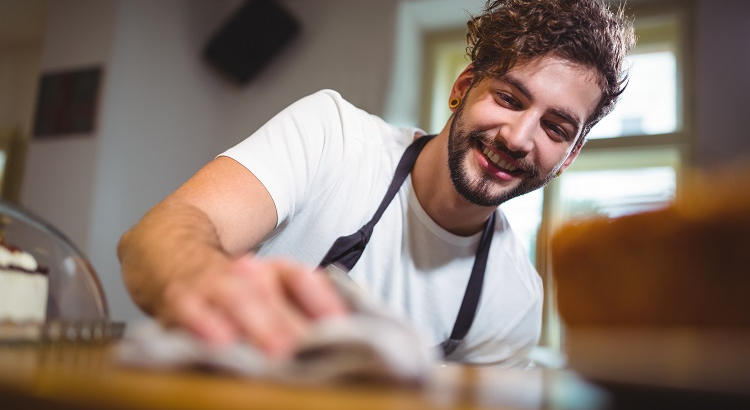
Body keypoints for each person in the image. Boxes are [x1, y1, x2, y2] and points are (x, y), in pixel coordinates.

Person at [118, 0, 634, 365]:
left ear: (568, 156)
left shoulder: (511, 302)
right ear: (462, 89)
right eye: (509, 98)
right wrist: (203, 280)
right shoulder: (333, 136)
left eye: (554, 128)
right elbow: (158, 236)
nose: (520, 137)